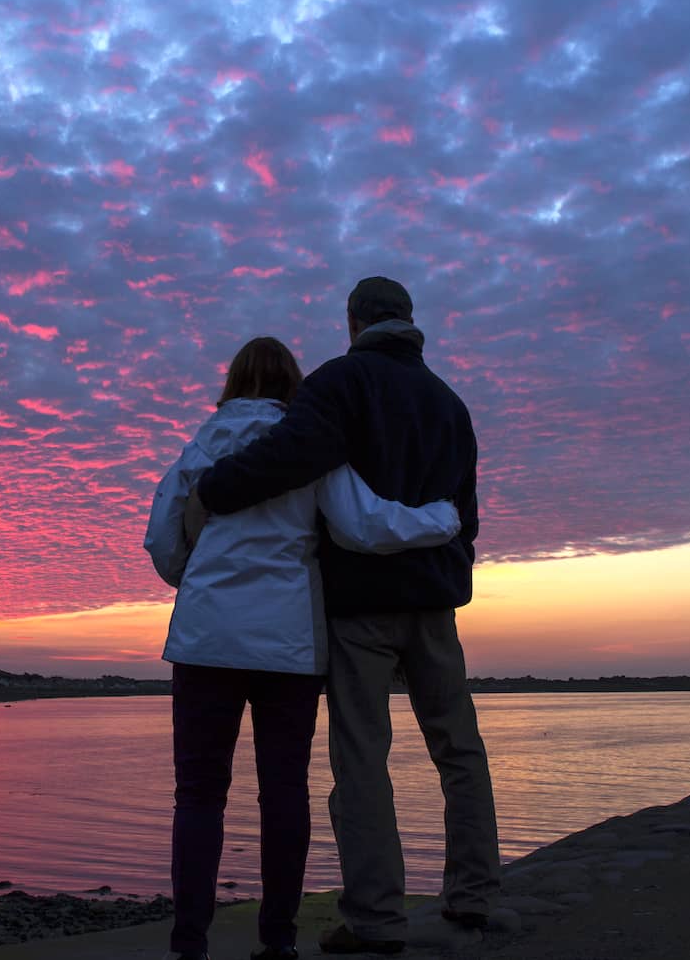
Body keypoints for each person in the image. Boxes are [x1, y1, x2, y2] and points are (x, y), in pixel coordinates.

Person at [191, 278, 499, 955]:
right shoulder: (452, 404)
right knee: (460, 749)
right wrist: (451, 568)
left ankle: (377, 920)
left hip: (361, 606)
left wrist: (214, 486)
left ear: (354, 321)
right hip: (436, 603)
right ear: (409, 321)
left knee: (362, 759)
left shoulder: (340, 383)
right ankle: (474, 896)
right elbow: (467, 515)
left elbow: (288, 456)